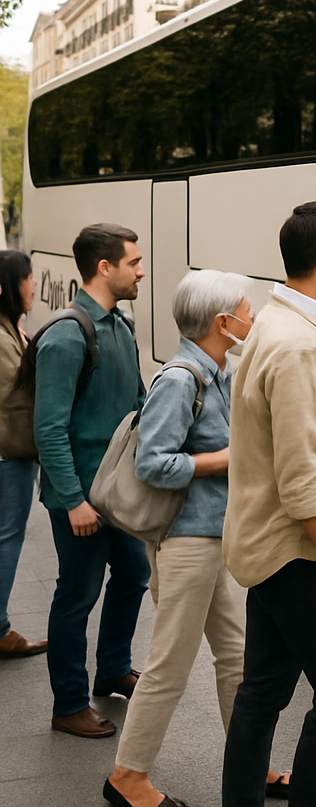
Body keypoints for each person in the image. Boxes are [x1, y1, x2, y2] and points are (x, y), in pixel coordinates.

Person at [103, 270, 288, 807]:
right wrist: (227, 460)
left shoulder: (217, 373)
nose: (252, 318)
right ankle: (127, 777)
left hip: (212, 539)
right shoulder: (182, 379)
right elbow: (152, 463)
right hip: (186, 543)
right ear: (221, 322)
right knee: (168, 667)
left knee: (235, 658)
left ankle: (251, 763)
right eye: (245, 309)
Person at [221, 201, 316, 807]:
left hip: (271, 548)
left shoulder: (277, 325)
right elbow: (301, 478)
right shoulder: (297, 347)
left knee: (260, 692)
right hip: (299, 555)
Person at [34, 224, 150, 738]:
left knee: (132, 576)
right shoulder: (66, 334)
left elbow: (137, 402)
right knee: (76, 596)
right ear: (105, 267)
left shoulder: (120, 327)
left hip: (116, 493)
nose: (141, 270)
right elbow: (48, 429)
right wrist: (75, 501)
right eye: (134, 262)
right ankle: (69, 704)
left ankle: (112, 670)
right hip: (81, 498)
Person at [0, 250, 46, 659]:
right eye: (27, 278)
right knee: (7, 539)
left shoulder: (11, 329)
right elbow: (17, 397)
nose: (33, 284)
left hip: (12, 454)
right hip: (6, 456)